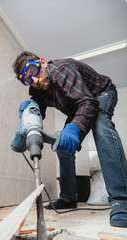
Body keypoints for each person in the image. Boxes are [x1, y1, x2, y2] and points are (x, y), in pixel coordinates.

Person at [12, 51, 127, 228]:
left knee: (100, 124)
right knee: (62, 145)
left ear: (42, 62)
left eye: (33, 71)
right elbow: (39, 111)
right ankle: (68, 198)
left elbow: (88, 103)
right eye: (27, 79)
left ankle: (121, 200)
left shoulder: (61, 70)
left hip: (101, 94)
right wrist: (30, 110)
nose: (33, 80)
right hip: (80, 106)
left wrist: (73, 129)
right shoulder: (37, 87)